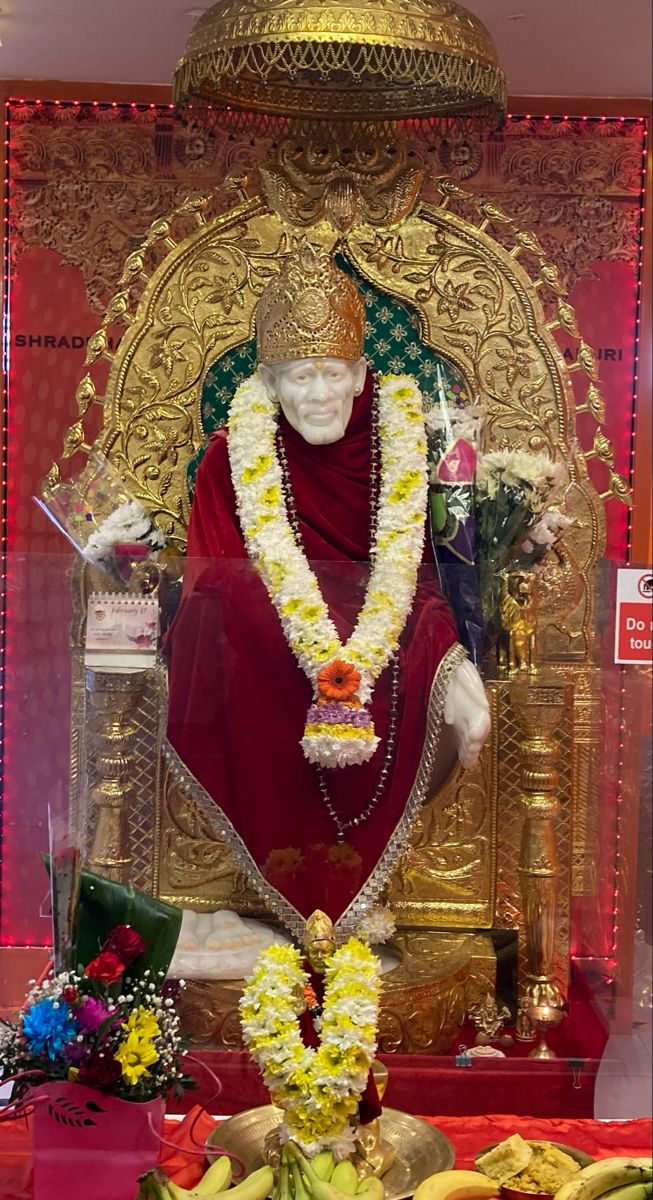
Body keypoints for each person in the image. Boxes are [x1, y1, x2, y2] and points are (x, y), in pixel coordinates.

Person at [165, 243, 490, 944]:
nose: (316, 394)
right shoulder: (233, 453)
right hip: (270, 640)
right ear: (269, 384)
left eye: (330, 374)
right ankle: (280, 889)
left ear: (361, 375)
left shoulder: (398, 435)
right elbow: (217, 578)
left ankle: (358, 884)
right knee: (221, 630)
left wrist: (449, 657)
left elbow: (422, 572)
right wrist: (317, 642)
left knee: (420, 641)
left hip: (382, 624)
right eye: (298, 377)